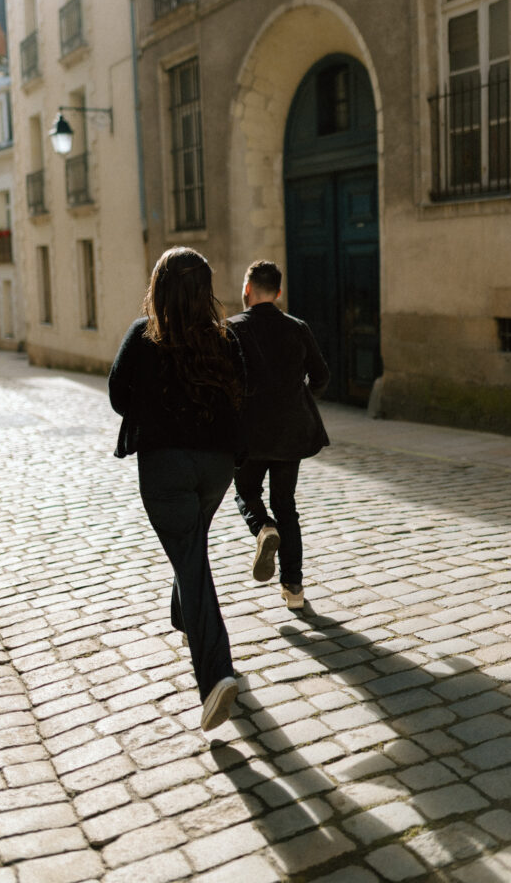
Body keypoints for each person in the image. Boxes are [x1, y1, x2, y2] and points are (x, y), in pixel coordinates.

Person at [108, 247, 245, 731]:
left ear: (159, 288)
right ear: (204, 290)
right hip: (216, 468)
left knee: (190, 560)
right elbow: (241, 398)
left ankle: (215, 676)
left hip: (166, 468)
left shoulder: (143, 337)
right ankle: (185, 618)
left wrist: (157, 406)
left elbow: (117, 396)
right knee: (190, 549)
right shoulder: (225, 339)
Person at [229, 260, 329, 609]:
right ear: (279, 292)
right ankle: (295, 590)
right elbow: (321, 376)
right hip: (290, 432)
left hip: (249, 434)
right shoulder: (297, 327)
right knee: (286, 506)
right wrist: (297, 397)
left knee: (245, 492)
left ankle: (262, 529)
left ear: (247, 289)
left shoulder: (231, 330)